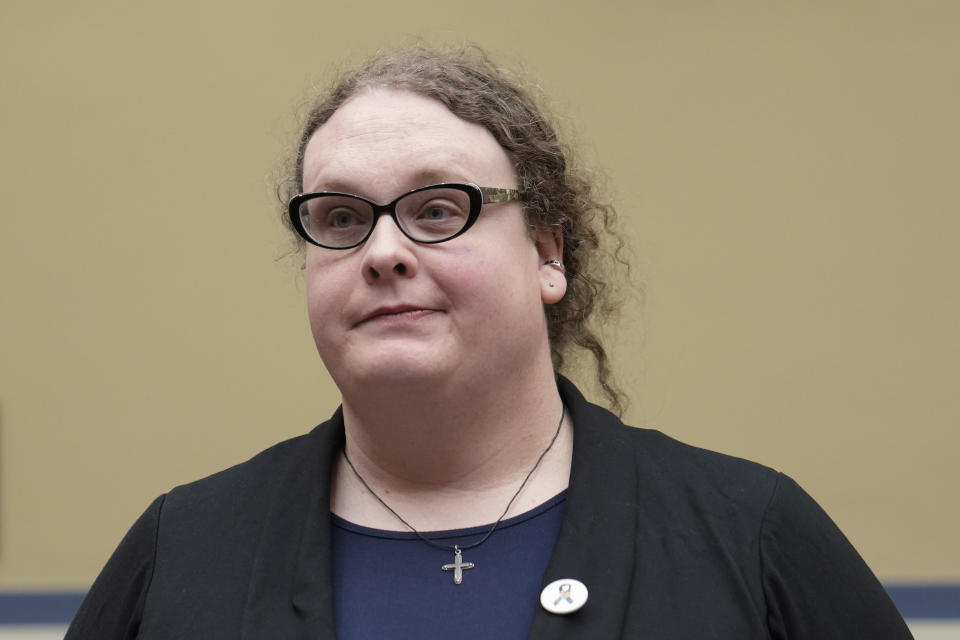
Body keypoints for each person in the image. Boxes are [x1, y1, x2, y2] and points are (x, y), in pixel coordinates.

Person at [66, 46, 912, 639]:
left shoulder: (747, 534)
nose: (384, 250)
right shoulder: (183, 551)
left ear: (547, 252)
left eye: (438, 208)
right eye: (340, 218)